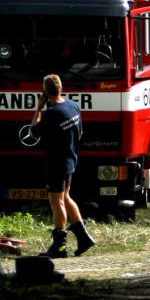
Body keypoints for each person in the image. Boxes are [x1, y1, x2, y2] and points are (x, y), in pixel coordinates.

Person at [32, 74, 95, 258]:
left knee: (56, 201)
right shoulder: (73, 105)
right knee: (66, 197)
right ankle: (84, 238)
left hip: (56, 163)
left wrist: (39, 108)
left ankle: (59, 246)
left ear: (45, 91)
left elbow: (33, 131)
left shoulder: (51, 114)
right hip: (70, 159)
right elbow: (80, 133)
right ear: (61, 88)